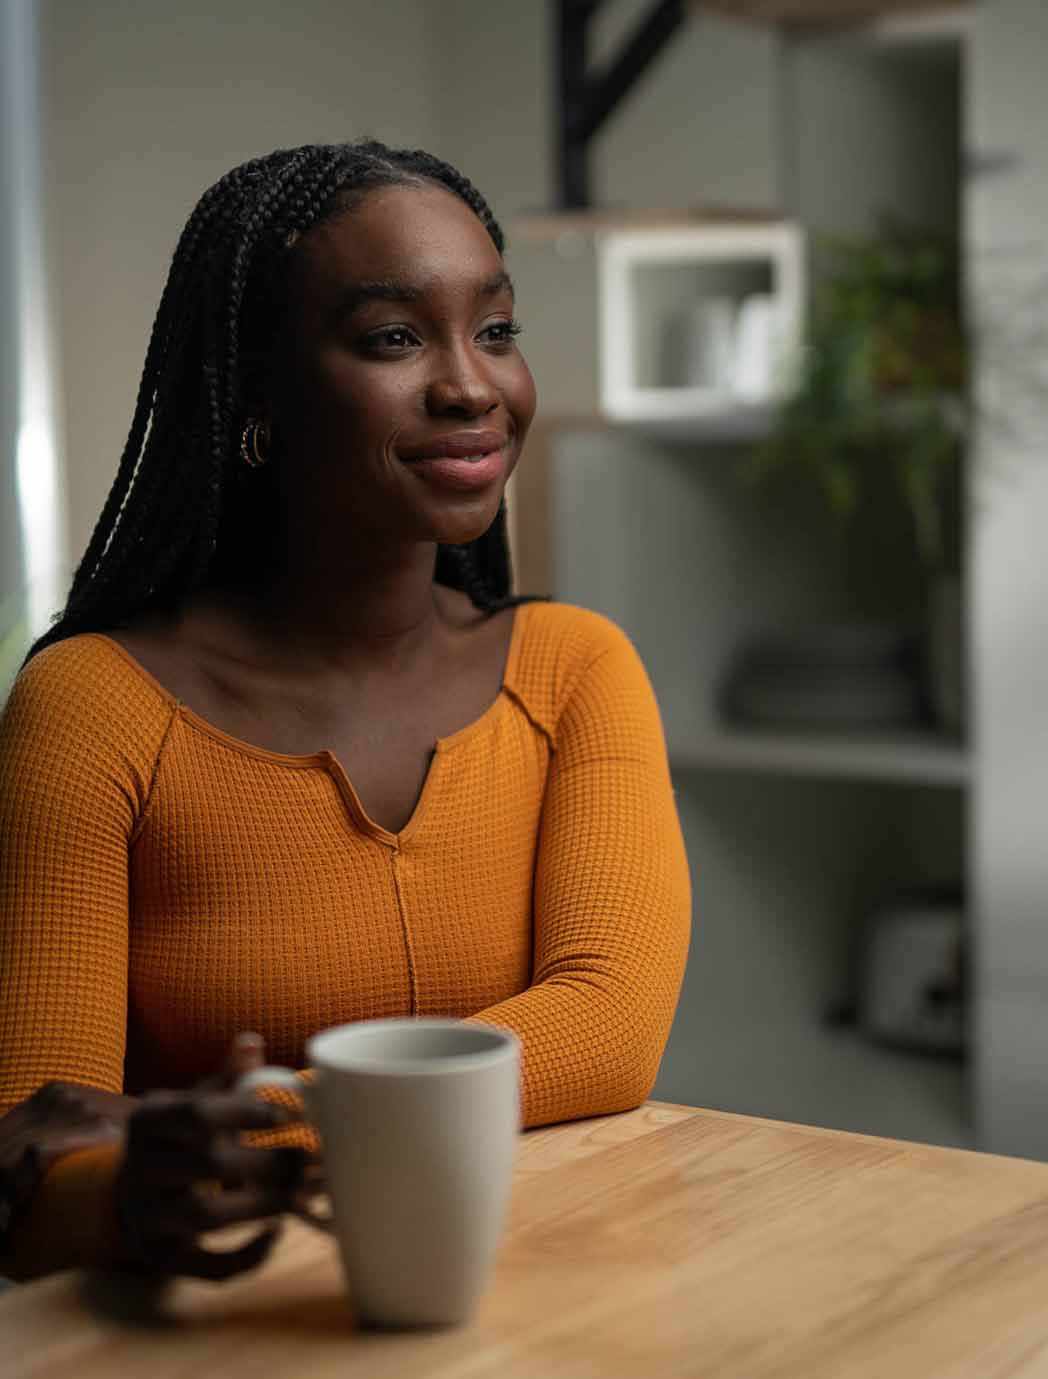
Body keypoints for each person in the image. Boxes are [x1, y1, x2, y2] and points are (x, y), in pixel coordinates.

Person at [0, 140, 691, 1283]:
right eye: (393, 337)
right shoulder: (93, 708)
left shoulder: (575, 670)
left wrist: (266, 1114)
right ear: (256, 392)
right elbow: (36, 1157)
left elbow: (609, 1028)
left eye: (497, 329)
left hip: (556, 1294)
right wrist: (129, 1182)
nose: (473, 384)